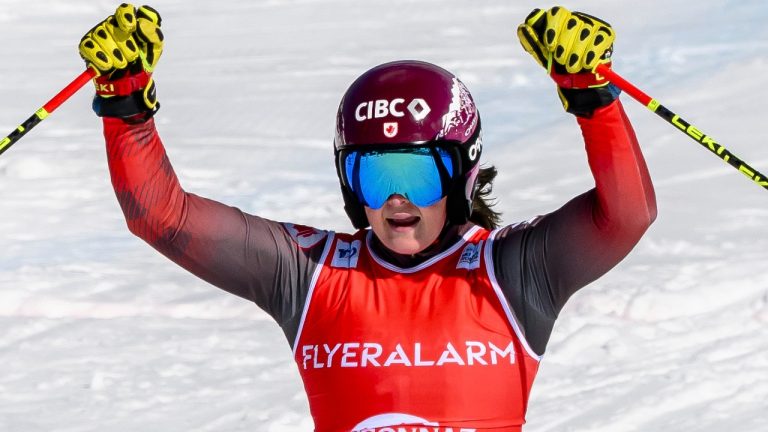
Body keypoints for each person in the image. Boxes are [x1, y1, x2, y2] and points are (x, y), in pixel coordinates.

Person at [79, 4, 656, 432]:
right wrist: (126, 105)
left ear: (462, 175)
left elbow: (627, 216)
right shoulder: (310, 273)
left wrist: (591, 97)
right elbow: (162, 217)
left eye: (419, 175)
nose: (396, 200)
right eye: (374, 176)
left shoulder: (511, 271)